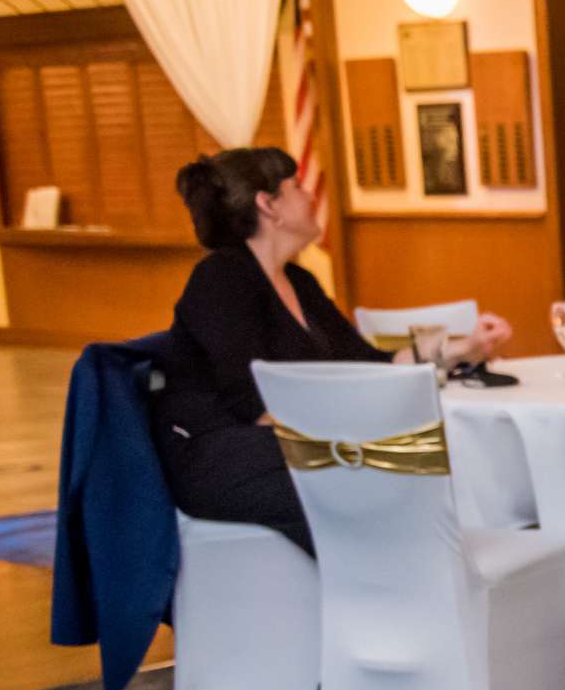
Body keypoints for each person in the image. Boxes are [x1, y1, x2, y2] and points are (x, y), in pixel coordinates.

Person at [157, 148, 512, 555]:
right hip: (224, 459)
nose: (311, 196)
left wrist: (465, 347)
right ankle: (388, 593)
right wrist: (356, 430)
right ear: (269, 204)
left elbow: (371, 364)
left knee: (421, 460)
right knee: (385, 470)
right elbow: (252, 405)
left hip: (294, 446)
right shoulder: (221, 278)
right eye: (298, 186)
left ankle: (415, 586)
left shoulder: (299, 282)